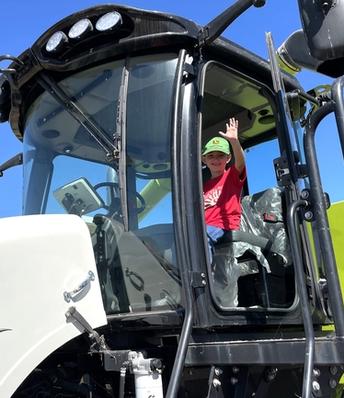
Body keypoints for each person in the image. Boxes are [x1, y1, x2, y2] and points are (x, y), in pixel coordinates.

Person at [202, 117, 246, 263]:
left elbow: (240, 162)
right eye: (211, 156)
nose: (216, 159)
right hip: (206, 227)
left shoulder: (231, 177)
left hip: (224, 227)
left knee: (202, 236)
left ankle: (204, 279)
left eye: (220, 156)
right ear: (204, 160)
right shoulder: (204, 187)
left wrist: (234, 141)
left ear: (228, 158)